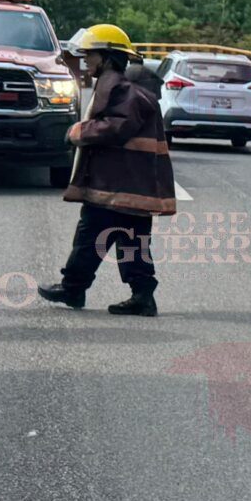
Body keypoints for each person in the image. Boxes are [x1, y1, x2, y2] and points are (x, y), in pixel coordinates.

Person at [36, 23, 174, 316]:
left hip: (116, 185)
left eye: (92, 55)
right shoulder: (123, 87)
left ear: (108, 57)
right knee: (132, 241)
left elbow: (117, 127)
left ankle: (73, 288)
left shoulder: (123, 90)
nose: (86, 60)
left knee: (90, 237)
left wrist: (78, 132)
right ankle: (142, 296)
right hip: (130, 185)